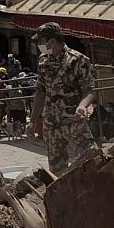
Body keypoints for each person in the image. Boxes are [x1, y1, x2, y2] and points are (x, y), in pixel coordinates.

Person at [30, 22, 98, 175]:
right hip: (51, 123)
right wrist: (34, 118)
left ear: (52, 42)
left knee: (91, 159)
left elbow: (89, 91)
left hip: (73, 120)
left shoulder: (78, 60)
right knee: (56, 169)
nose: (39, 45)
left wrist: (82, 106)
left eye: (41, 42)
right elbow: (40, 91)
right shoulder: (43, 61)